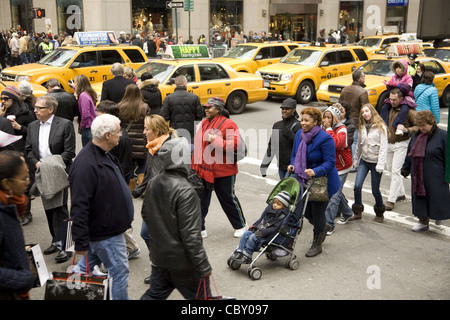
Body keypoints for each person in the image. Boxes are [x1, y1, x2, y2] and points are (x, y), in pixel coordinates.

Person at [70, 114, 133, 300]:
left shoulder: (103, 154)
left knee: (86, 267)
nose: (121, 134)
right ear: (107, 135)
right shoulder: (86, 164)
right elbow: (79, 206)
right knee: (119, 273)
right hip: (106, 234)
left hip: (104, 230)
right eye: (118, 131)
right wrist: (80, 240)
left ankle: (69, 288)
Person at [140, 134, 212, 300]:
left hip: (160, 257)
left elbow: (146, 214)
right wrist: (202, 264)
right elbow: (191, 235)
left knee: (154, 295)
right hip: (183, 263)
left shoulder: (154, 181)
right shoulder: (186, 190)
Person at [25, 95, 76, 263]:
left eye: (39, 108)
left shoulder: (65, 124)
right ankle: (56, 241)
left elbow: (69, 152)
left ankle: (67, 246)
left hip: (57, 170)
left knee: (60, 209)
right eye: (35, 107)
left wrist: (51, 165)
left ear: (50, 109)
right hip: (41, 171)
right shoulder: (32, 126)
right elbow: (29, 149)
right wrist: (37, 164)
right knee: (48, 209)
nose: (35, 110)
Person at [191, 97, 247, 238]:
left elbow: (234, 145)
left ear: (218, 109)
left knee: (227, 199)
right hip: (204, 170)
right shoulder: (205, 123)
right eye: (206, 107)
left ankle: (240, 225)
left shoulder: (229, 124)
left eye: (210, 107)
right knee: (201, 200)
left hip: (224, 171)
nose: (206, 109)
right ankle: (200, 228)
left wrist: (214, 140)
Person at [287, 107, 339, 257]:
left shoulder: (325, 138)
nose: (302, 123)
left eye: (306, 120)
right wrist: (292, 165)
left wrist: (316, 171)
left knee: (317, 212)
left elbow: (330, 162)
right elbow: (295, 155)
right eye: (302, 120)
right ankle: (323, 226)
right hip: (304, 179)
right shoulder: (299, 134)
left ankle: (317, 243)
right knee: (306, 211)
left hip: (323, 181)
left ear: (316, 122)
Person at [401, 111, 450, 231]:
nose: (421, 128)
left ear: (431, 123)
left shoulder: (443, 136)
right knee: (420, 197)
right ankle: (423, 221)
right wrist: (406, 168)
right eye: (419, 125)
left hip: (436, 174)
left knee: (437, 196)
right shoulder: (416, 136)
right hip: (418, 174)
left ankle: (439, 215)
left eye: (424, 125)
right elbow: (410, 153)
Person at [0, 150, 35, 300]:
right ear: (7, 183)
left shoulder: (9, 204)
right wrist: (24, 278)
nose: (28, 181)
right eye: (24, 178)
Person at [0, 85, 36, 226]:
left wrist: (20, 128)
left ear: (14, 99)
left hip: (22, 152)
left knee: (23, 184)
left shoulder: (25, 112)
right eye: (1, 98)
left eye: (6, 99)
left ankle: (27, 212)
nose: (3, 101)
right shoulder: (3, 113)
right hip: (7, 153)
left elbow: (34, 133)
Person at [229, 191, 292, 264]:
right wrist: (254, 227)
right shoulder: (270, 209)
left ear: (284, 206)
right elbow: (261, 220)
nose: (275, 205)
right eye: (274, 202)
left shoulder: (283, 215)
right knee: (246, 234)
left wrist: (262, 233)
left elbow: (274, 229)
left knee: (252, 237)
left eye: (278, 204)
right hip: (260, 229)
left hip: (268, 235)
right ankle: (239, 251)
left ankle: (247, 254)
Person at [380, 88, 418, 211]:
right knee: (390, 170)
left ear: (401, 99)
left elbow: (419, 125)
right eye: (390, 99)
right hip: (389, 142)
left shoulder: (409, 111)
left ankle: (391, 200)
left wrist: (407, 130)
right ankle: (400, 193)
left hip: (401, 143)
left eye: (394, 99)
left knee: (396, 171)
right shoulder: (387, 107)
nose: (392, 101)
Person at [351, 104, 388, 222]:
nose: (365, 114)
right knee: (357, 186)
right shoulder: (362, 127)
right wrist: (355, 161)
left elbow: (384, 147)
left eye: (366, 111)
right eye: (362, 112)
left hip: (376, 162)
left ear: (372, 111)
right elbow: (358, 147)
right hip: (364, 161)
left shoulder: (381, 127)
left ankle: (379, 212)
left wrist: (381, 165)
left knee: (375, 190)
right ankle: (357, 211)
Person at [322, 105, 353, 234]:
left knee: (334, 195)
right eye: (325, 117)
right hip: (330, 166)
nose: (326, 120)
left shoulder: (342, 129)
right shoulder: (323, 129)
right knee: (336, 192)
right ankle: (347, 212)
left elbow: (335, 143)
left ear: (335, 119)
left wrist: (328, 129)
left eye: (329, 117)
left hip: (342, 167)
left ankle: (329, 224)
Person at [118, 84, 150, 191]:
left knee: (129, 164)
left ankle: (130, 188)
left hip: (126, 140)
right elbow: (148, 124)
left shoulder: (120, 106)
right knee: (142, 164)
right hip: (142, 140)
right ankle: (141, 188)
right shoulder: (144, 107)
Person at [260, 98, 301, 179]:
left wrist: (289, 135)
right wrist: (264, 165)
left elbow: (301, 145)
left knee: (287, 189)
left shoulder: (299, 126)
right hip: (281, 166)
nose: (284, 111)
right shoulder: (277, 125)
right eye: (283, 108)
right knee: (283, 189)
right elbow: (272, 147)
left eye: (287, 109)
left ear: (294, 109)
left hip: (293, 166)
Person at [161, 75, 203, 147]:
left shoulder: (168, 99)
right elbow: (199, 116)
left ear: (176, 84)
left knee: (177, 153)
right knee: (190, 150)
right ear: (185, 84)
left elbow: (164, 117)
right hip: (190, 131)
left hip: (175, 131)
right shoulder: (195, 98)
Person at [382, 59, 417, 134]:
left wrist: (398, 85)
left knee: (404, 109)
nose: (397, 69)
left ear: (404, 68)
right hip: (395, 96)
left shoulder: (408, 77)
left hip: (406, 96)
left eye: (399, 67)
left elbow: (407, 88)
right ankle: (384, 124)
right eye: (396, 67)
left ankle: (398, 124)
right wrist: (388, 85)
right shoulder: (394, 77)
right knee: (385, 107)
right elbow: (391, 90)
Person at [339, 69, 369, 155]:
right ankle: (353, 164)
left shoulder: (345, 89)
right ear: (360, 79)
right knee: (355, 142)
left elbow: (340, 104)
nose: (364, 79)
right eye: (363, 77)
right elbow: (366, 108)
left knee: (345, 141)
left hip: (344, 120)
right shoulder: (362, 92)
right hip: (356, 122)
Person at [74, 74, 97, 147]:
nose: (75, 84)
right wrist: (74, 88)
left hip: (87, 127)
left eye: (75, 82)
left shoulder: (83, 96)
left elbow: (85, 114)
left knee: (88, 149)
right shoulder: (89, 93)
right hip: (92, 124)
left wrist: (82, 125)